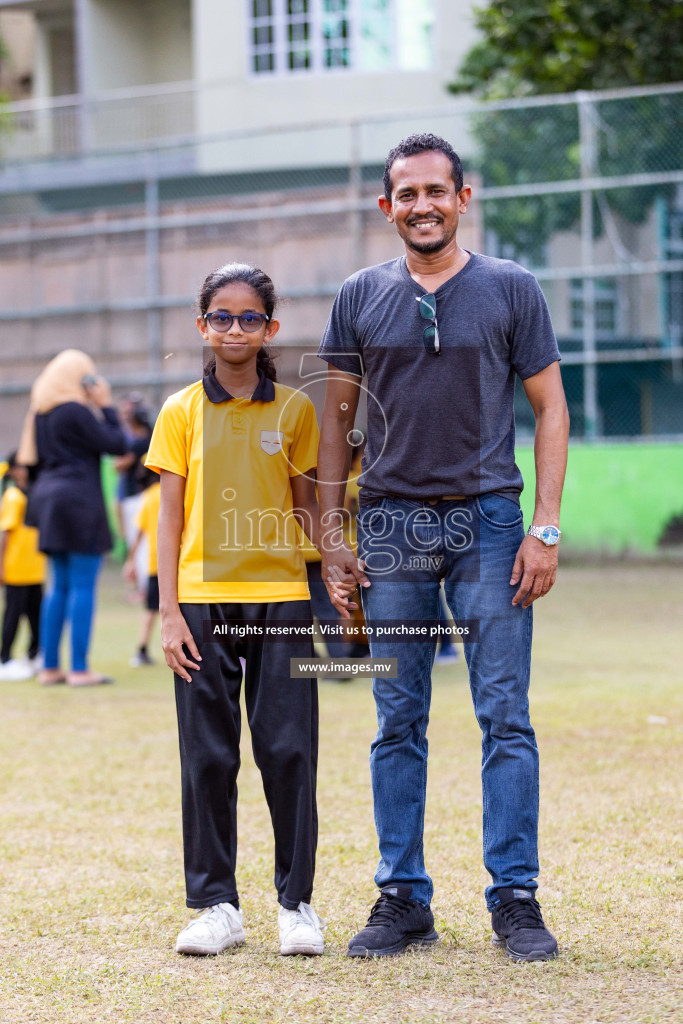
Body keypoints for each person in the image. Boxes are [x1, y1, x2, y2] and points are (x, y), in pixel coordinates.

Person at [317, 134, 570, 961]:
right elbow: (334, 419)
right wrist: (331, 534)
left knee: (504, 715)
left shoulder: (509, 288)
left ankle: (515, 898)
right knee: (397, 718)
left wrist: (544, 524)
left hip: (490, 525)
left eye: (436, 190)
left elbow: (550, 409)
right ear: (385, 206)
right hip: (389, 525)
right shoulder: (358, 295)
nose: (421, 205)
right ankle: (402, 897)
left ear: (464, 197)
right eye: (406, 193)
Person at [145, 262, 325, 958]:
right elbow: (167, 519)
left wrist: (338, 565)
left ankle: (295, 903)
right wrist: (167, 612)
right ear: (202, 326)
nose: (234, 328)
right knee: (208, 756)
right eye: (221, 316)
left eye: (249, 317)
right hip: (199, 602)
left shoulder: (296, 411)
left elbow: (309, 510)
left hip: (280, 600)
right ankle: (215, 905)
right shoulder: (180, 410)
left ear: (270, 328)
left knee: (288, 751)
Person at [17, 349, 128, 687]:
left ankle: (50, 667)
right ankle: (79, 668)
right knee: (82, 585)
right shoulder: (74, 412)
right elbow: (116, 443)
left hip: (49, 502)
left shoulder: (41, 414)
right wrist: (106, 405)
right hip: (78, 501)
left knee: (58, 586)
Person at [0, 453, 46, 680]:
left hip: (35, 565)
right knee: (12, 614)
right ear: (13, 470)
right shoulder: (13, 495)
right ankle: (5, 658)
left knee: (37, 614)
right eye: (19, 466)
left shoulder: (35, 493)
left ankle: (34, 653)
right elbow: (5, 534)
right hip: (16, 567)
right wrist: (1, 566)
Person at [123, 477, 160, 666]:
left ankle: (142, 649)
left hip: (157, 561)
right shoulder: (178, 490)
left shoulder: (149, 496)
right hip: (181, 562)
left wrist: (131, 561)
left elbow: (139, 530)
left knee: (150, 609)